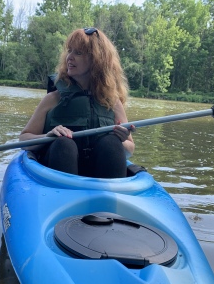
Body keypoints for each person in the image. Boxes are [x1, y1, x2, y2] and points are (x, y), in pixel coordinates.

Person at [19, 27, 135, 178]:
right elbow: (24, 139)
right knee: (63, 144)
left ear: (96, 60)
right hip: (58, 172)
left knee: (112, 144)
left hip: (97, 174)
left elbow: (130, 148)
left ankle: (109, 197)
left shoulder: (112, 102)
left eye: (78, 53)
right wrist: (48, 136)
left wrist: (122, 138)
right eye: (69, 50)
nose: (69, 57)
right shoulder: (53, 99)